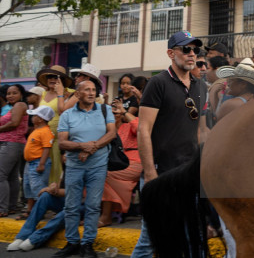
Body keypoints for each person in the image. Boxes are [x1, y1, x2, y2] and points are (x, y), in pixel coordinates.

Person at [130, 30, 210, 258]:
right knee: (150, 239)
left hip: (188, 174)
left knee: (190, 235)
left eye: (195, 50)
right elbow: (143, 129)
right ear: (171, 53)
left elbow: (202, 131)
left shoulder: (200, 87)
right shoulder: (158, 83)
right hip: (161, 173)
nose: (192, 54)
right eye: (186, 49)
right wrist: (150, 173)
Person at [55, 75, 116, 258]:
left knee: (93, 206)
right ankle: (72, 242)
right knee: (71, 206)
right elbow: (62, 143)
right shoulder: (67, 115)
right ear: (78, 94)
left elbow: (112, 133)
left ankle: (88, 243)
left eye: (93, 90)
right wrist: (82, 146)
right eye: (87, 90)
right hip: (74, 166)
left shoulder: (105, 110)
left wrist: (92, 148)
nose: (91, 93)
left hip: (98, 165)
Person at [98, 97, 141, 227]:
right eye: (110, 113)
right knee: (94, 173)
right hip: (114, 164)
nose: (112, 115)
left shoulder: (128, 126)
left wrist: (124, 111)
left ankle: (106, 217)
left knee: (103, 175)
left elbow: (140, 127)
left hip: (134, 162)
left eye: (116, 113)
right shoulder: (105, 130)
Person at [6, 169, 68, 252]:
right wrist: (54, 186)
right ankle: (22, 236)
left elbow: (78, 193)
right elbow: (60, 185)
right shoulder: (68, 165)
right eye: (63, 155)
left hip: (82, 205)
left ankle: (35, 239)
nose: (65, 157)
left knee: (68, 210)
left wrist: (52, 190)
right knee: (45, 196)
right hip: (67, 200)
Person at [36, 65, 76, 185]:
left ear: (62, 80)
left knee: (58, 167)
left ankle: (57, 193)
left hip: (61, 137)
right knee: (45, 167)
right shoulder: (43, 94)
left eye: (56, 77)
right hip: (44, 138)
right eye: (50, 76)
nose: (52, 79)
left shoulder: (71, 93)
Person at [21, 105, 55, 220]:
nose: (32, 117)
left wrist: (42, 163)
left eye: (35, 115)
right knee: (29, 187)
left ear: (40, 118)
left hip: (38, 163)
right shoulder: (37, 130)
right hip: (30, 163)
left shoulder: (45, 131)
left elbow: (47, 148)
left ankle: (40, 211)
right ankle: (30, 210)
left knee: (38, 188)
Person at [0, 84, 29, 217]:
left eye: (14, 93)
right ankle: (10, 207)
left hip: (11, 143)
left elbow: (14, 123)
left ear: (21, 94)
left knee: (1, 175)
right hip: (14, 144)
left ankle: (2, 208)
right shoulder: (14, 107)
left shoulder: (20, 105)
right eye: (8, 93)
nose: (10, 96)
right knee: (12, 177)